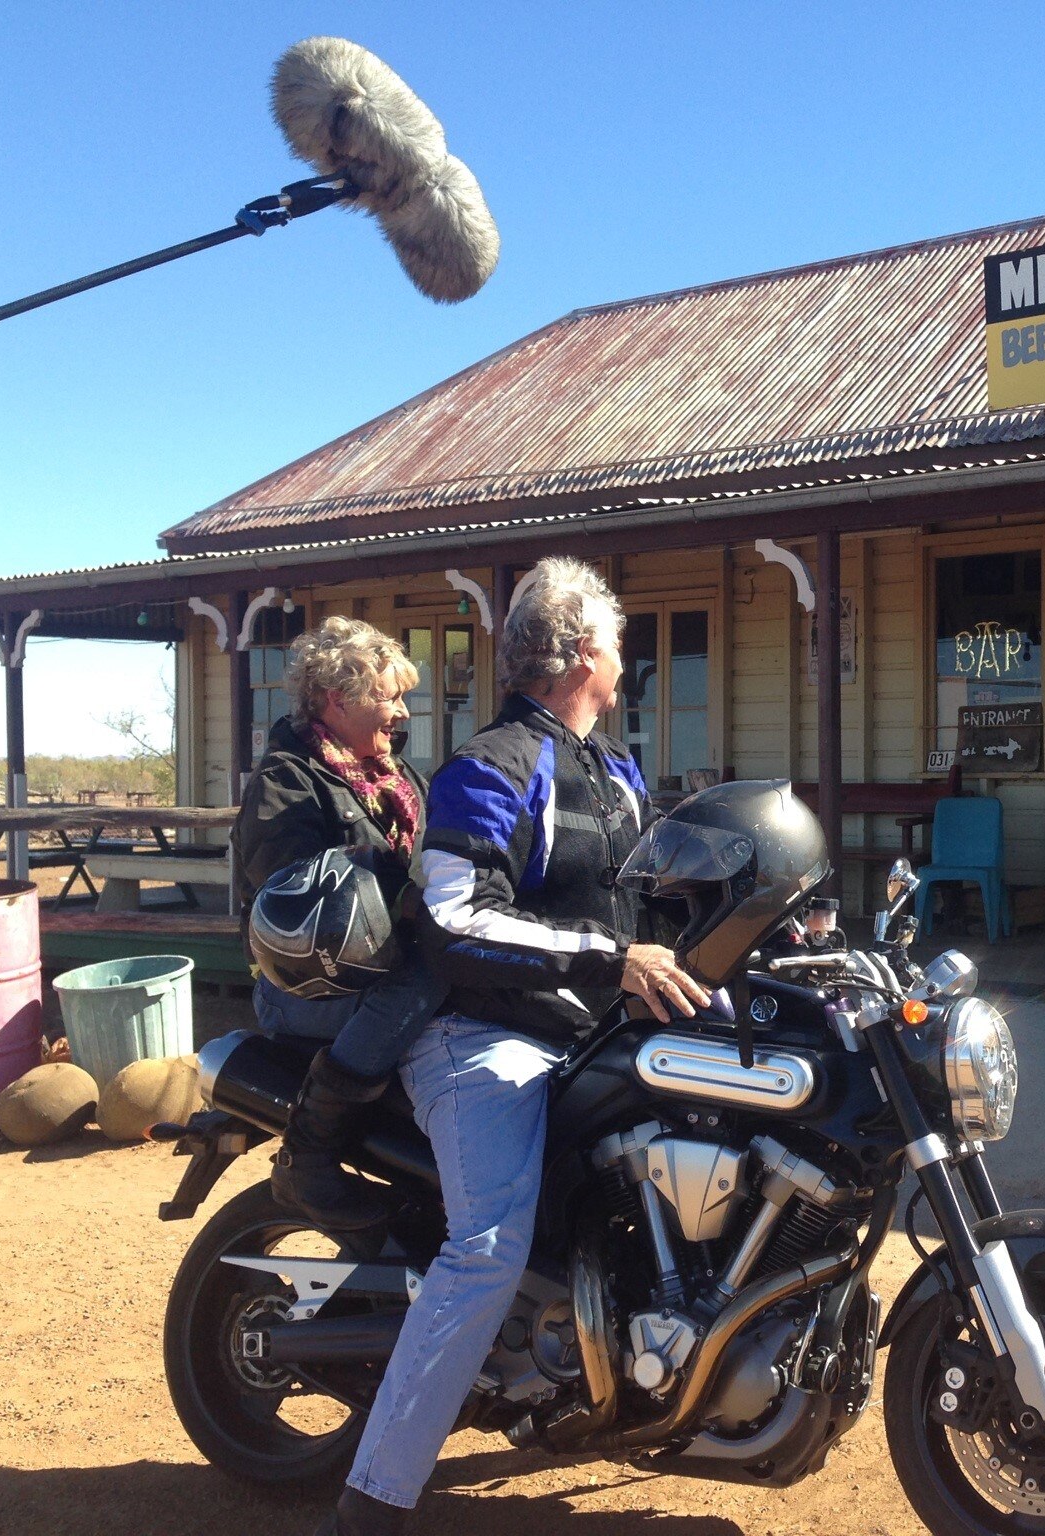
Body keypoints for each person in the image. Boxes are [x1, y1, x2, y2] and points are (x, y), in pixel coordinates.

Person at [317, 557, 709, 1536]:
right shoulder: (489, 765)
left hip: (584, 1039)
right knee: (485, 1248)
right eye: (616, 641)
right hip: (482, 1041)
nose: (626, 659)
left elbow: (660, 887)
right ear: (580, 652)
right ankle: (368, 1508)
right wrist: (611, 957)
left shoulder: (613, 771)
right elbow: (454, 919)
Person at [234, 617, 448, 1230]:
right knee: (428, 984)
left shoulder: (398, 780)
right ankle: (309, 1154)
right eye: (391, 697)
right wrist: (406, 899)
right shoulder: (288, 783)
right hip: (309, 988)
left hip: (380, 970)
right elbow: (304, 910)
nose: (404, 713)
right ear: (337, 698)